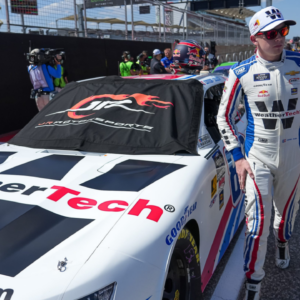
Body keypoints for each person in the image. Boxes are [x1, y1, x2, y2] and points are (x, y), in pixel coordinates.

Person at [217, 6, 298, 300]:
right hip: (257, 159)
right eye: (271, 33)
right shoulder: (240, 73)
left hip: (294, 158)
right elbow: (223, 117)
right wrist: (237, 156)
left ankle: (283, 242)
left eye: (284, 31)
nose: (280, 38)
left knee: (284, 221)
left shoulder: (299, 63)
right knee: (257, 225)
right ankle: (254, 284)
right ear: (255, 38)